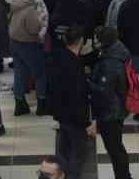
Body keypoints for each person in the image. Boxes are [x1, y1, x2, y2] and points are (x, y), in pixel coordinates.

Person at [89, 27, 132, 179]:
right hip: (117, 107)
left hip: (110, 112)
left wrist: (87, 82)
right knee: (117, 148)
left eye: (96, 39)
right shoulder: (117, 52)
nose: (94, 41)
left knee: (115, 149)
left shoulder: (110, 62)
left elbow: (104, 90)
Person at [51, 26, 91, 179]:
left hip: (62, 114)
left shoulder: (59, 57)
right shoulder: (74, 65)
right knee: (78, 154)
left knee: (64, 152)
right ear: (81, 41)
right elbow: (78, 95)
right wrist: (86, 121)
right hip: (75, 117)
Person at [9, 0, 48, 116]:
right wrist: (41, 25)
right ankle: (42, 104)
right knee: (40, 73)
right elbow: (34, 28)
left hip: (15, 41)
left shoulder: (14, 1)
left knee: (19, 73)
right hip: (29, 43)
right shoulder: (28, 7)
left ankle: (20, 104)